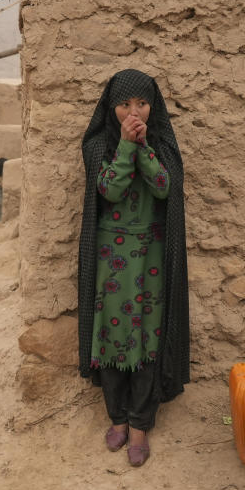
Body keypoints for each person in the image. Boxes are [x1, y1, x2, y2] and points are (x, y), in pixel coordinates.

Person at [78, 68, 189, 467]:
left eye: (141, 103)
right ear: (112, 108)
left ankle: (141, 424)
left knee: (146, 336)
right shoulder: (98, 145)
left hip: (151, 256)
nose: (133, 112)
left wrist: (143, 148)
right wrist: (125, 147)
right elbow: (109, 188)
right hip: (112, 256)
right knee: (111, 335)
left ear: (153, 105)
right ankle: (118, 418)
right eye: (124, 105)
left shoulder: (161, 143)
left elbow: (163, 187)